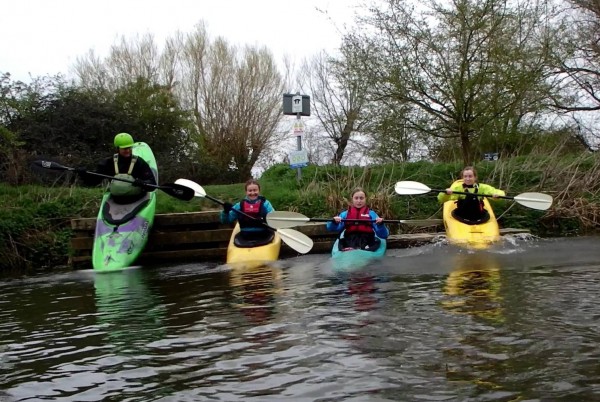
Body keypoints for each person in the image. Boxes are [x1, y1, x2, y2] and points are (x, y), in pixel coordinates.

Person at [78, 133, 157, 204]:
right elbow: (94, 181)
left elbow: (152, 184)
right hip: (116, 201)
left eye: (130, 148)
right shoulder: (109, 163)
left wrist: (143, 183)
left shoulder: (139, 162)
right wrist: (84, 174)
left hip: (137, 199)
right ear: (118, 148)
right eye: (125, 149)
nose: (128, 151)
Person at [437, 166, 505, 222]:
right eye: (465, 176)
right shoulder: (458, 188)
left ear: (475, 177)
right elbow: (441, 199)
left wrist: (497, 195)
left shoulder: (482, 187)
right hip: (461, 216)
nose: (468, 179)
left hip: (480, 216)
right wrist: (446, 193)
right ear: (462, 177)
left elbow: (498, 192)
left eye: (470, 176)